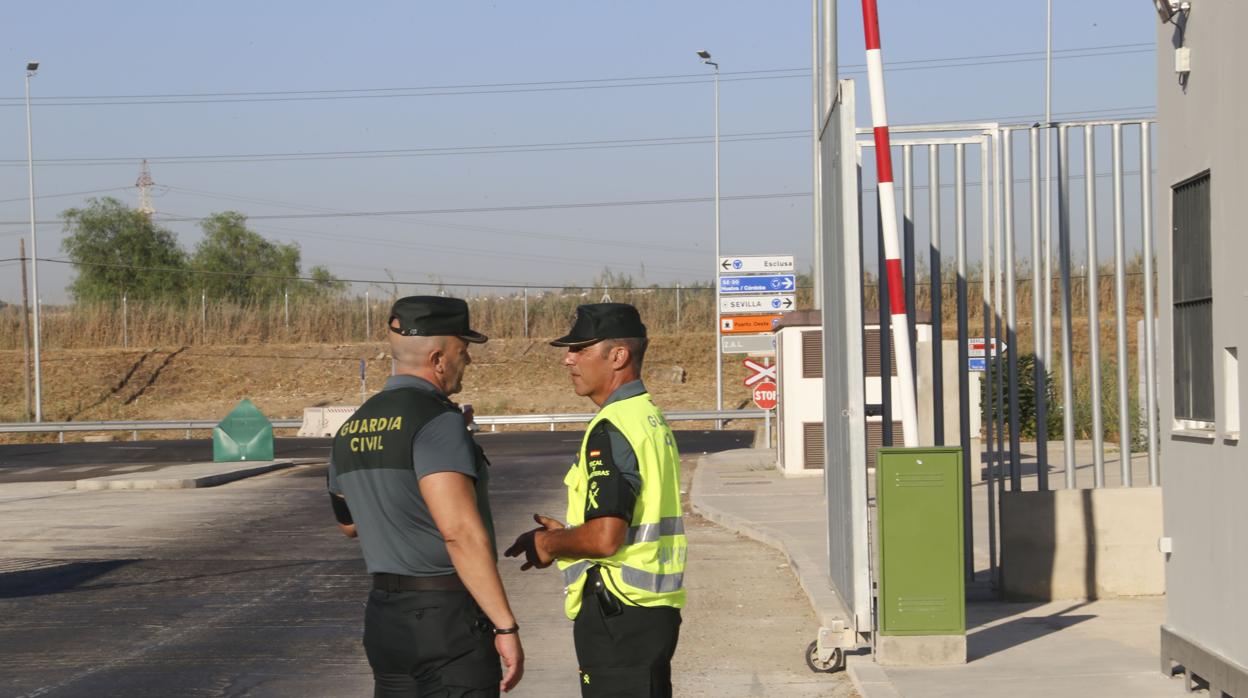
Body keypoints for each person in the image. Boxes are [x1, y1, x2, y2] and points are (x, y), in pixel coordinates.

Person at [328, 295, 524, 697]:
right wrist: (504, 624)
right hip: (445, 620)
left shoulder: (352, 427)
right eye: (463, 352)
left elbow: (349, 524)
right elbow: (459, 533)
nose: (467, 362)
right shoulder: (437, 422)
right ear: (438, 359)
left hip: (385, 622)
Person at [505, 303, 686, 697]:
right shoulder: (647, 416)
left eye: (581, 349)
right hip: (648, 612)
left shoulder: (613, 426)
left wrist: (548, 543)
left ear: (618, 356)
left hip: (618, 613)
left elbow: (606, 537)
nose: (568, 359)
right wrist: (571, 535)